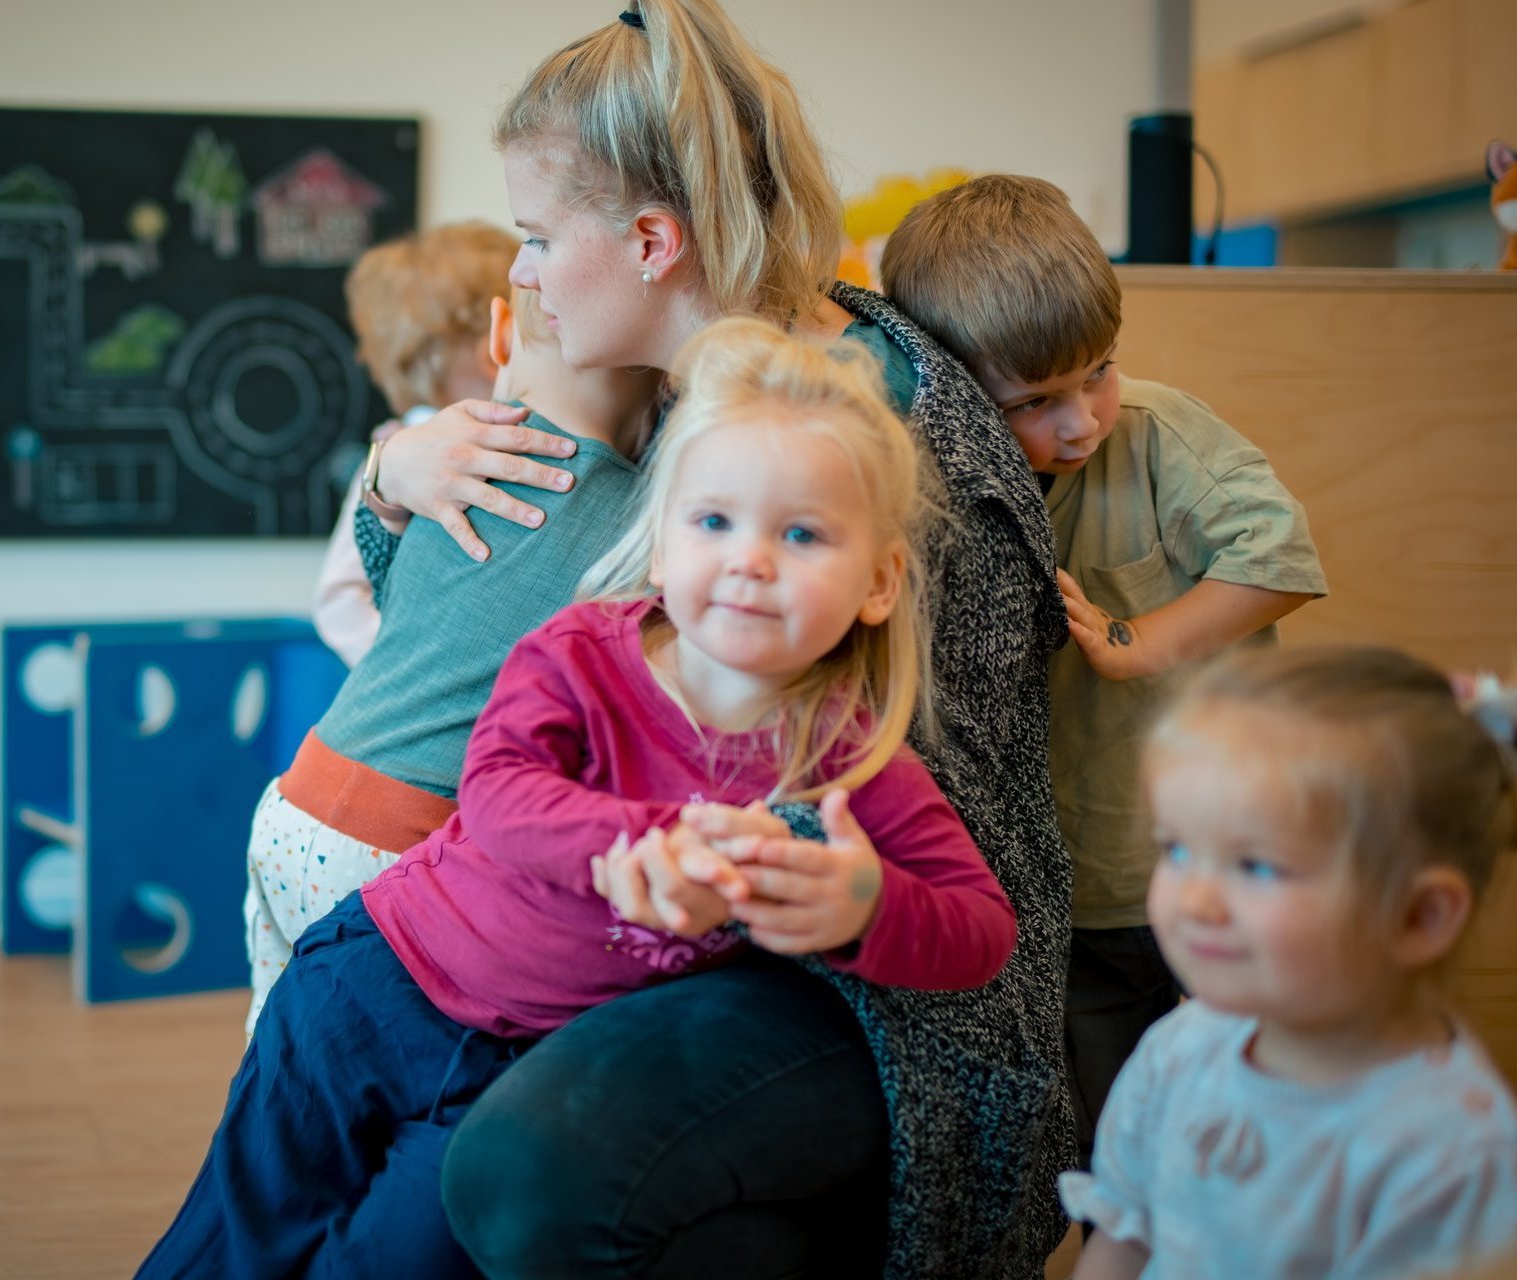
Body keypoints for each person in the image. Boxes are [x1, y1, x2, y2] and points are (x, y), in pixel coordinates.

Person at [358, 6, 1076, 1277]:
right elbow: (458, 628)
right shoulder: (660, 386)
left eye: (536, 238)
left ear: (651, 243)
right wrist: (392, 478)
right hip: (674, 903)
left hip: (883, 975)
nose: (519, 275)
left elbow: (938, 825)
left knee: (512, 1172)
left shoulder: (866, 428)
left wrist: (771, 875)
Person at [138, 316, 1019, 1279]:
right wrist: (647, 840)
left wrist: (865, 909)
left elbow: (982, 930)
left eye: (801, 534)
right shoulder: (585, 650)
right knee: (235, 1239)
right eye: (713, 522)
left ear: (880, 583)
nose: (750, 560)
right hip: (376, 985)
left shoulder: (851, 760)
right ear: (662, 543)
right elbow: (499, 792)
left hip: (517, 1070)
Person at [882, 172, 1329, 1174]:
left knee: (1244, 1127)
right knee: (1109, 1146)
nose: (1082, 421)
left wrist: (1142, 640)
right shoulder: (940, 474)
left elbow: (1278, 559)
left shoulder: (1158, 432)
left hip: (1202, 860)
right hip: (1072, 895)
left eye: (1099, 373)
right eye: (1034, 402)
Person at [244, 285, 659, 1034]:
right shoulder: (646, 521)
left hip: (295, 800)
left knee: (283, 1048)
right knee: (402, 1057)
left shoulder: (445, 458)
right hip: (411, 843)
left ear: (499, 335)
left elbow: (387, 585)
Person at [1060, 645, 1517, 1279]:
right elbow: (1124, 1239)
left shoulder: (1450, 1158)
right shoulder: (1179, 1048)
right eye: (1177, 850)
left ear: (1419, 917)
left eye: (1256, 865)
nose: (1194, 901)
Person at [312, 221, 519, 665]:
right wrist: (414, 669)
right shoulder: (392, 456)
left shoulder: (531, 437)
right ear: (494, 345)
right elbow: (341, 599)